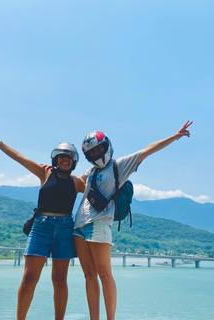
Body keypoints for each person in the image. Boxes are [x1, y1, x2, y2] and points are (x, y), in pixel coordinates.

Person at [73, 121, 193, 320]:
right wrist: (52, 171)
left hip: (100, 222)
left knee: (104, 274)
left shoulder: (119, 166)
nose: (96, 154)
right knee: (88, 275)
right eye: (92, 153)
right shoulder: (91, 172)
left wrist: (175, 136)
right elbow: (76, 183)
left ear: (107, 146)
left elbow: (147, 150)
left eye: (99, 150)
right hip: (78, 224)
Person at [0, 133, 85, 320]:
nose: (65, 160)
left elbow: (99, 188)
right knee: (29, 278)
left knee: (60, 279)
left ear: (74, 161)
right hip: (41, 227)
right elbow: (20, 158)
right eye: (61, 156)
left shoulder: (77, 182)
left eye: (68, 157)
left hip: (65, 229)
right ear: (55, 158)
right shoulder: (45, 172)